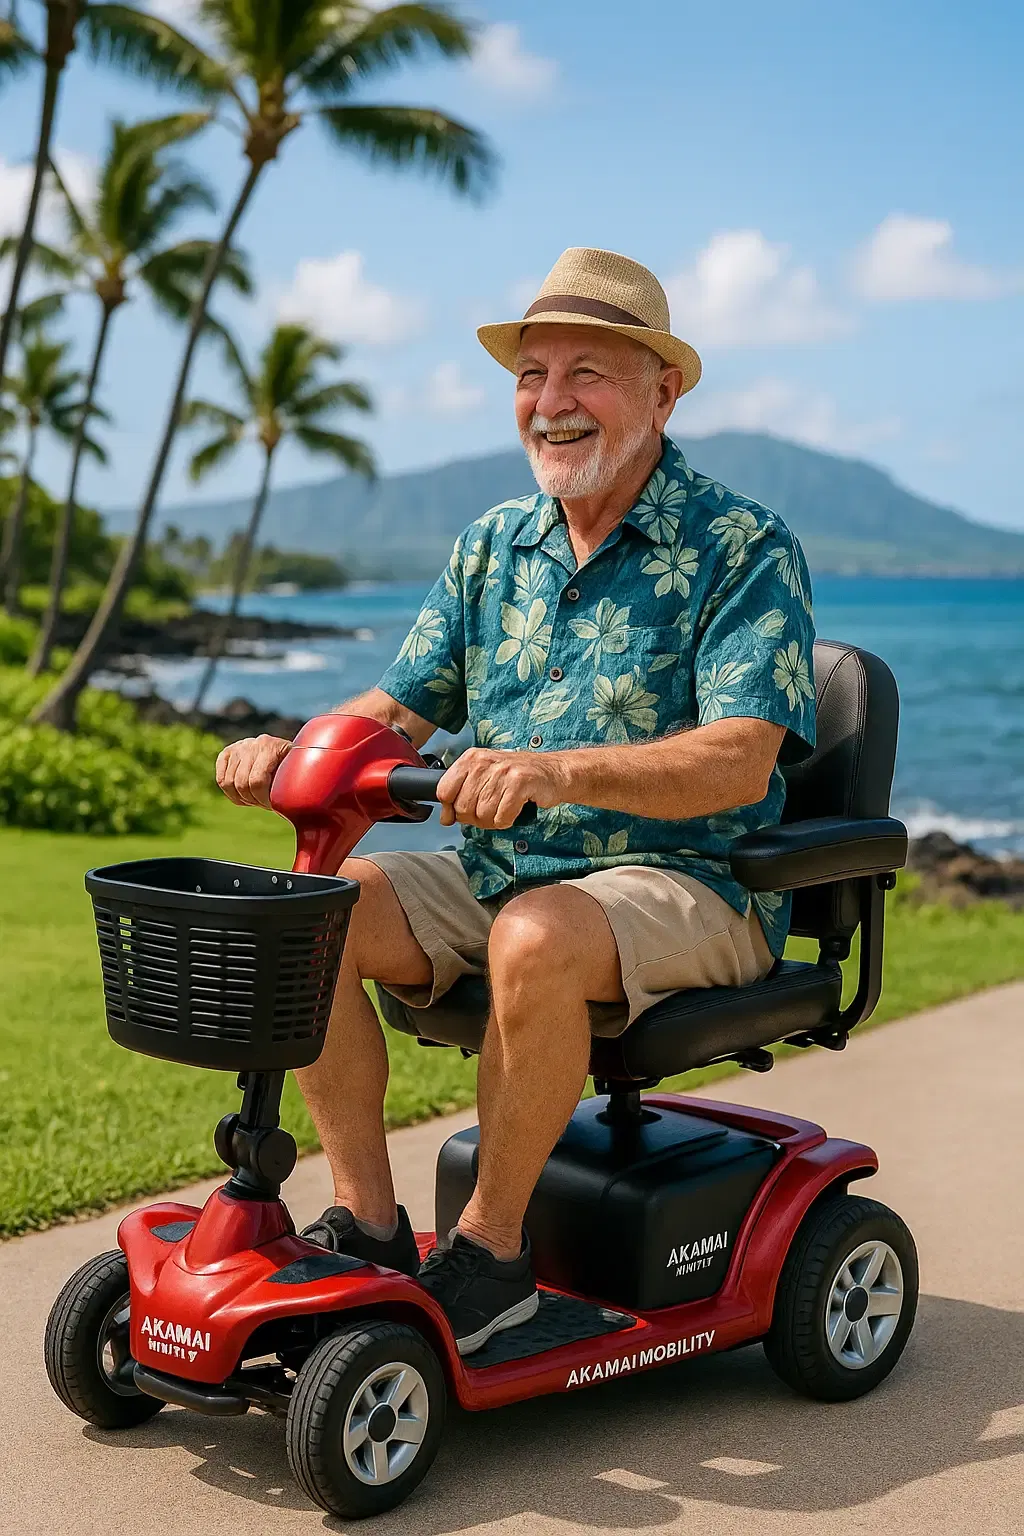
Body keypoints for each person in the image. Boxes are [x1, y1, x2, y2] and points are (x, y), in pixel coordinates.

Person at [216, 247, 816, 1357]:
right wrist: (295, 750)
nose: (551, 403)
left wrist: (553, 770)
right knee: (312, 911)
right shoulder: (493, 546)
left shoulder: (743, 547)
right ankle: (376, 1227)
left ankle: (491, 1258)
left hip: (689, 886)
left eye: (586, 371)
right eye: (533, 375)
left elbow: (738, 761)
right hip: (503, 877)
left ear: (662, 390)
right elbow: (394, 713)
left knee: (536, 935)